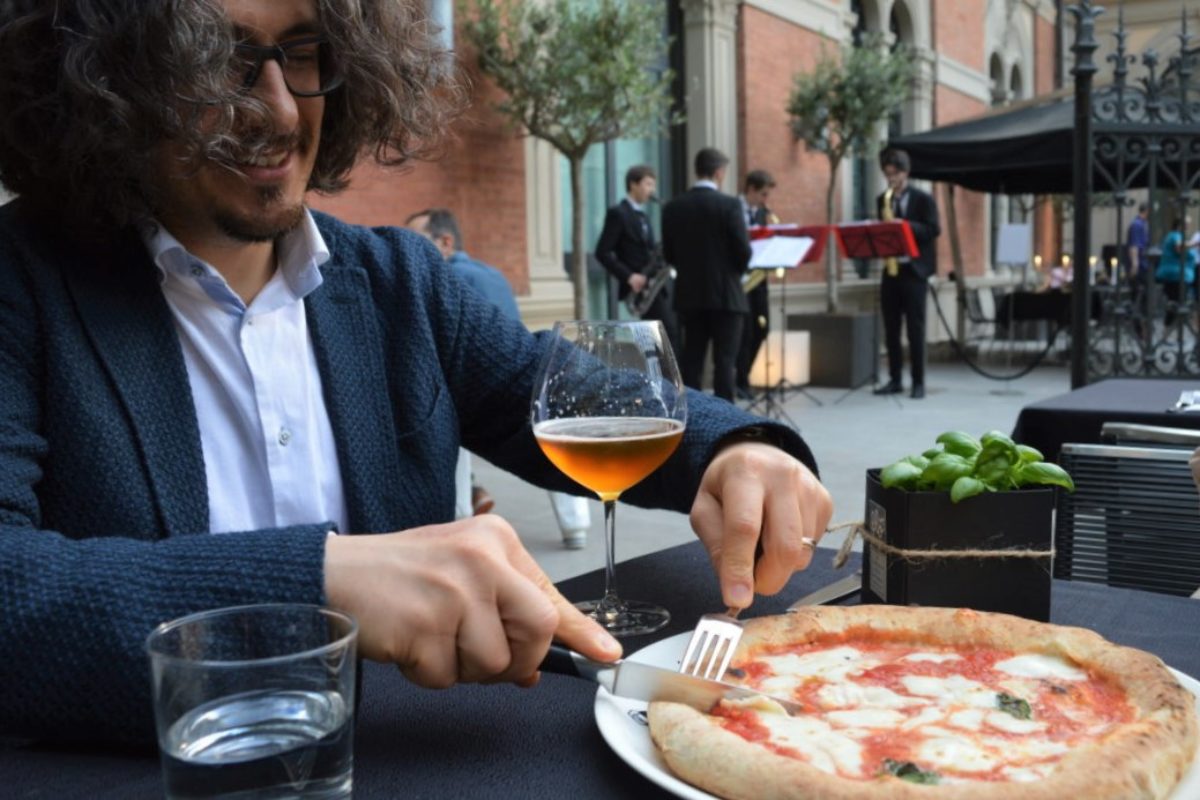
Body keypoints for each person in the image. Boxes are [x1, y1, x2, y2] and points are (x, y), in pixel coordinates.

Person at [0, 0, 832, 744]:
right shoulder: (22, 284)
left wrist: (736, 449)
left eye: (303, 51)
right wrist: (326, 584)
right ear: (105, 77)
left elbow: (559, 392)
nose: (281, 109)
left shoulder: (401, 282)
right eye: (212, 58)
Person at [406, 208, 592, 549]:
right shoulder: (491, 273)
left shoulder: (444, 278)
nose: (407, 251)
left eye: (417, 240)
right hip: (522, 377)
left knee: (449, 443)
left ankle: (460, 520)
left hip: (469, 383)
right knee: (549, 446)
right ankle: (575, 526)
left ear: (445, 242)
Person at [662, 148, 753, 402]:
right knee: (725, 362)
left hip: (689, 296)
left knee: (692, 360)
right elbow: (743, 252)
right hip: (727, 297)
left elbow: (669, 254)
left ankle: (692, 416)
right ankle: (725, 421)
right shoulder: (730, 205)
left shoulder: (673, 207)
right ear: (718, 172)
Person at [873, 149, 940, 400]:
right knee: (891, 328)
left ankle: (918, 382)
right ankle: (895, 379)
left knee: (915, 329)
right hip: (891, 270)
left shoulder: (923, 199)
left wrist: (906, 226)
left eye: (896, 175)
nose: (892, 180)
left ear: (906, 173)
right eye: (888, 175)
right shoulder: (883, 200)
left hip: (915, 271)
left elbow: (934, 229)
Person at [594, 164, 680, 355]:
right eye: (648, 184)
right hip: (639, 287)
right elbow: (602, 252)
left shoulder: (643, 216)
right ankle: (665, 381)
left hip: (653, 286)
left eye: (653, 185)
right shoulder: (618, 213)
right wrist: (629, 276)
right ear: (633, 184)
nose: (652, 190)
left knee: (658, 337)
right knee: (666, 334)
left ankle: (661, 380)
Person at [735, 169, 779, 400]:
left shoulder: (762, 213)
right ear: (750, 189)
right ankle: (740, 381)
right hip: (739, 280)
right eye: (763, 194)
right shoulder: (733, 209)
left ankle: (747, 376)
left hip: (759, 280)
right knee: (743, 333)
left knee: (762, 329)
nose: (765, 201)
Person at [1155, 216, 1197, 324]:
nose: (1188, 227)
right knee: (1176, 304)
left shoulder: (1180, 236)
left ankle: (1172, 328)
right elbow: (1179, 247)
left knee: (1177, 303)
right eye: (1186, 224)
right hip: (1175, 276)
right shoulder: (1174, 235)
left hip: (1182, 275)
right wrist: (1195, 243)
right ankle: (1169, 328)